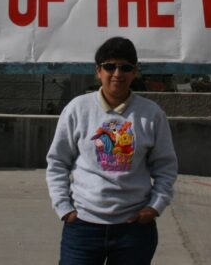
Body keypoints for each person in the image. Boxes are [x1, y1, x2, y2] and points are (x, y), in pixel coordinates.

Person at [46, 37, 178, 265]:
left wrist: (155, 207)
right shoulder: (78, 109)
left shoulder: (152, 114)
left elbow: (165, 167)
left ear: (135, 72)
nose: (117, 73)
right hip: (83, 228)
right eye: (110, 66)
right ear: (98, 71)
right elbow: (57, 162)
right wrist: (64, 208)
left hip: (134, 230)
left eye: (125, 67)